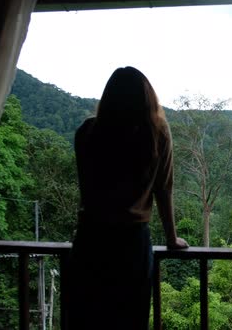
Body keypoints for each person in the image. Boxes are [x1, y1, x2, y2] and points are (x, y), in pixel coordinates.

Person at [69, 66, 189, 330]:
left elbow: (86, 188)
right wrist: (171, 239)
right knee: (129, 319)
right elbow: (164, 189)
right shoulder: (156, 135)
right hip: (131, 242)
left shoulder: (87, 132)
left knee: (86, 318)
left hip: (90, 238)